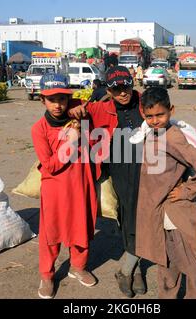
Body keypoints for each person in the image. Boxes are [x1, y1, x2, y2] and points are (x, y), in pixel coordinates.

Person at [69, 66, 147, 298]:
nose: (123, 93)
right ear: (109, 90)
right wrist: (77, 109)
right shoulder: (101, 107)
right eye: (117, 89)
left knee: (144, 216)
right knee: (129, 214)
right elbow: (71, 105)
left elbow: (163, 113)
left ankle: (131, 265)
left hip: (149, 166)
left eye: (127, 87)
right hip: (120, 169)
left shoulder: (143, 101)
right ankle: (132, 267)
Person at [135, 87, 196, 299]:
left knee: (189, 264)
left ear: (171, 110)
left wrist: (186, 190)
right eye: (149, 116)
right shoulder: (151, 133)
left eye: (160, 115)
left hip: (173, 213)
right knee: (166, 263)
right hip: (158, 213)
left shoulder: (172, 137)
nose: (155, 120)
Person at [31, 73, 98, 299]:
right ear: (42, 100)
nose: (58, 104)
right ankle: (47, 275)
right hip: (55, 189)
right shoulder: (39, 129)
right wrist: (71, 141)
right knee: (51, 233)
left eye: (62, 99)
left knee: (82, 227)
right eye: (52, 99)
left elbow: (99, 103)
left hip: (81, 183)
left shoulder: (79, 117)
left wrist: (80, 108)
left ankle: (78, 267)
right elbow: (50, 165)